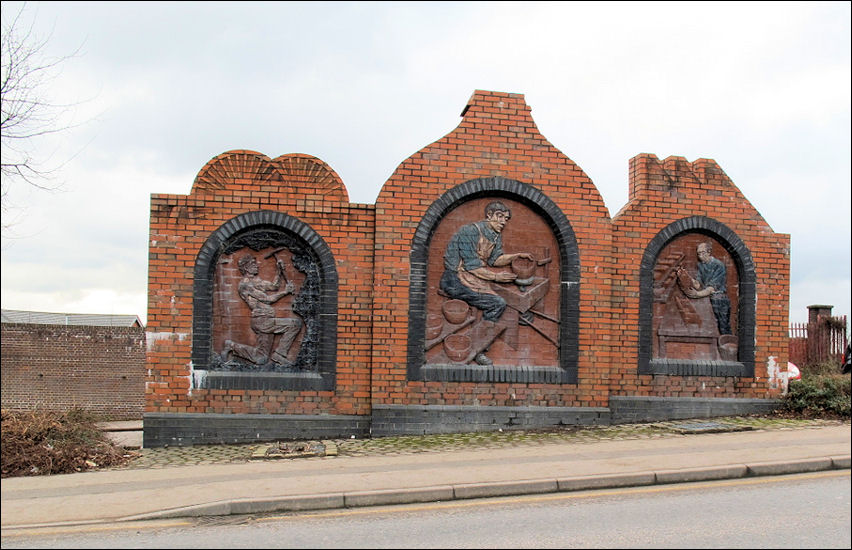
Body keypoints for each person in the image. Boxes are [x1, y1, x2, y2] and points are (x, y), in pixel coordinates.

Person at [440, 201, 533, 365]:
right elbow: (472, 265)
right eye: (499, 216)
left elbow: (495, 260)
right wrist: (497, 278)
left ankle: (516, 316)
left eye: (506, 218)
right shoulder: (469, 231)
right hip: (454, 278)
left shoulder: (494, 235)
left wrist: (516, 255)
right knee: (497, 303)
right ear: (489, 215)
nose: (503, 221)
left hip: (473, 276)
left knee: (504, 291)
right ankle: (478, 350)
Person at [222, 254, 302, 367]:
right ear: (246, 268)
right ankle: (280, 354)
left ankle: (231, 346)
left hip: (266, 319)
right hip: (262, 320)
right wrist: (286, 292)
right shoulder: (245, 285)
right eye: (253, 264)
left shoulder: (256, 281)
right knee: (295, 324)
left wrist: (279, 271)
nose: (257, 266)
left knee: (261, 358)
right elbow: (268, 299)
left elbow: (274, 286)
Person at [677, 241, 731, 335]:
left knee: (723, 327)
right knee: (710, 325)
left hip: (719, 300)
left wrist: (697, 294)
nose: (700, 256)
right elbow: (698, 285)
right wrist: (687, 276)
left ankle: (726, 343)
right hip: (708, 298)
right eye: (698, 253)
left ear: (709, 252)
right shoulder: (701, 265)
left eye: (702, 253)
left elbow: (712, 288)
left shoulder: (719, 265)